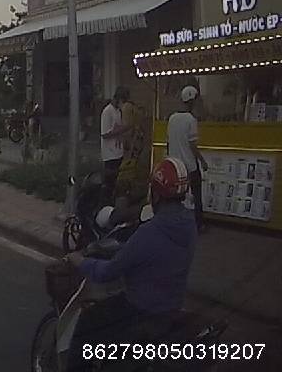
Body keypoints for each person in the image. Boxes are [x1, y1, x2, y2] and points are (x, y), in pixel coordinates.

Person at [67, 157, 197, 365]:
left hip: (139, 309)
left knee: (85, 326)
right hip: (171, 307)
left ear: (155, 194)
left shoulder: (149, 232)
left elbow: (107, 273)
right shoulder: (189, 225)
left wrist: (80, 261)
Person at [167, 86, 209, 232]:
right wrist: (202, 161)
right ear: (192, 101)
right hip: (189, 165)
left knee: (176, 196)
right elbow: (192, 145)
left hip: (175, 165)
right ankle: (199, 224)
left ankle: (176, 222)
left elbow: (168, 142)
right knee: (196, 195)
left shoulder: (172, 118)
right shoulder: (191, 120)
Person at [99, 88, 128, 201]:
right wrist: (121, 130)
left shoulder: (118, 111)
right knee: (109, 182)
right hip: (110, 154)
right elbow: (105, 134)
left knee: (116, 181)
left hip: (118, 151)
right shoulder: (107, 112)